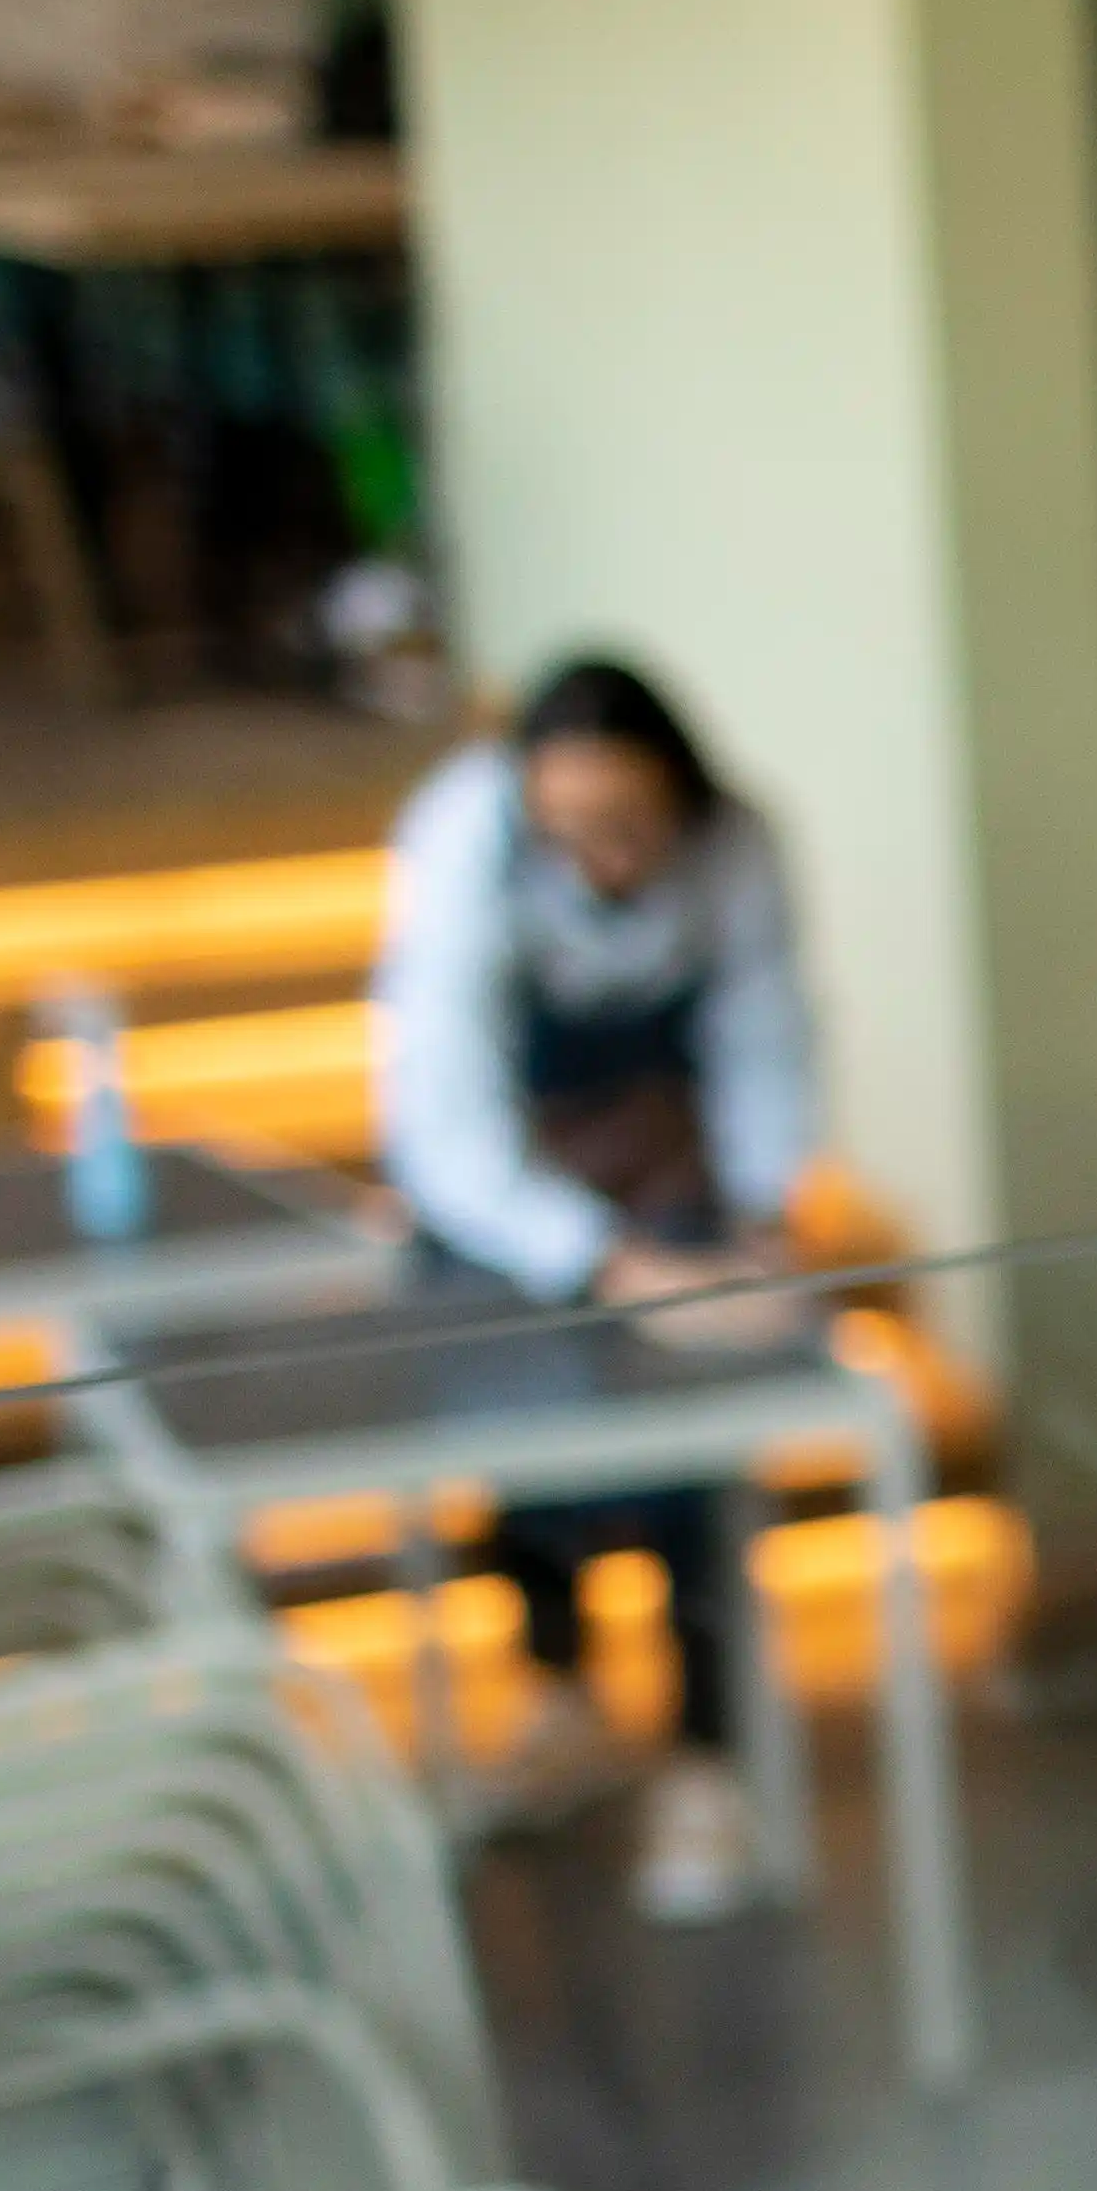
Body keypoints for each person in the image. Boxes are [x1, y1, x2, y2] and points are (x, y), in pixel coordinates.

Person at [371, 654, 824, 1925]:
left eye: (628, 826)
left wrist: (758, 1224)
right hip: (506, 1189)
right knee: (513, 1441)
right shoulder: (459, 843)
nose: (603, 857)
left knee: (700, 1455)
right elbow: (445, 1118)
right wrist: (618, 1269)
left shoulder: (740, 848)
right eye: (570, 829)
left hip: (662, 1155)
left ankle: (704, 1754)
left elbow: (763, 1033)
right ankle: (560, 1697)